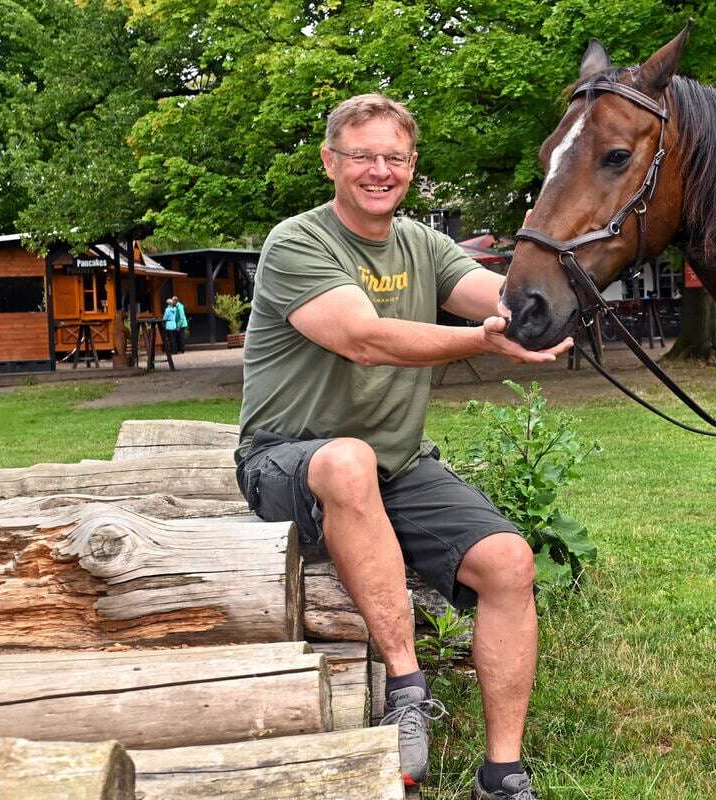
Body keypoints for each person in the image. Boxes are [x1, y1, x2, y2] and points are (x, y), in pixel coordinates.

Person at [236, 93, 571, 799]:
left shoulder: (423, 244)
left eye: (394, 157)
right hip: (287, 461)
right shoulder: (298, 242)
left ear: (412, 167)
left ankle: (502, 772)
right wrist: (484, 341)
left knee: (509, 561)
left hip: (396, 469)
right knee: (349, 459)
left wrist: (541, 304)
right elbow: (364, 339)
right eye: (362, 155)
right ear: (331, 162)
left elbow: (493, 292)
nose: (379, 170)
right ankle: (405, 685)